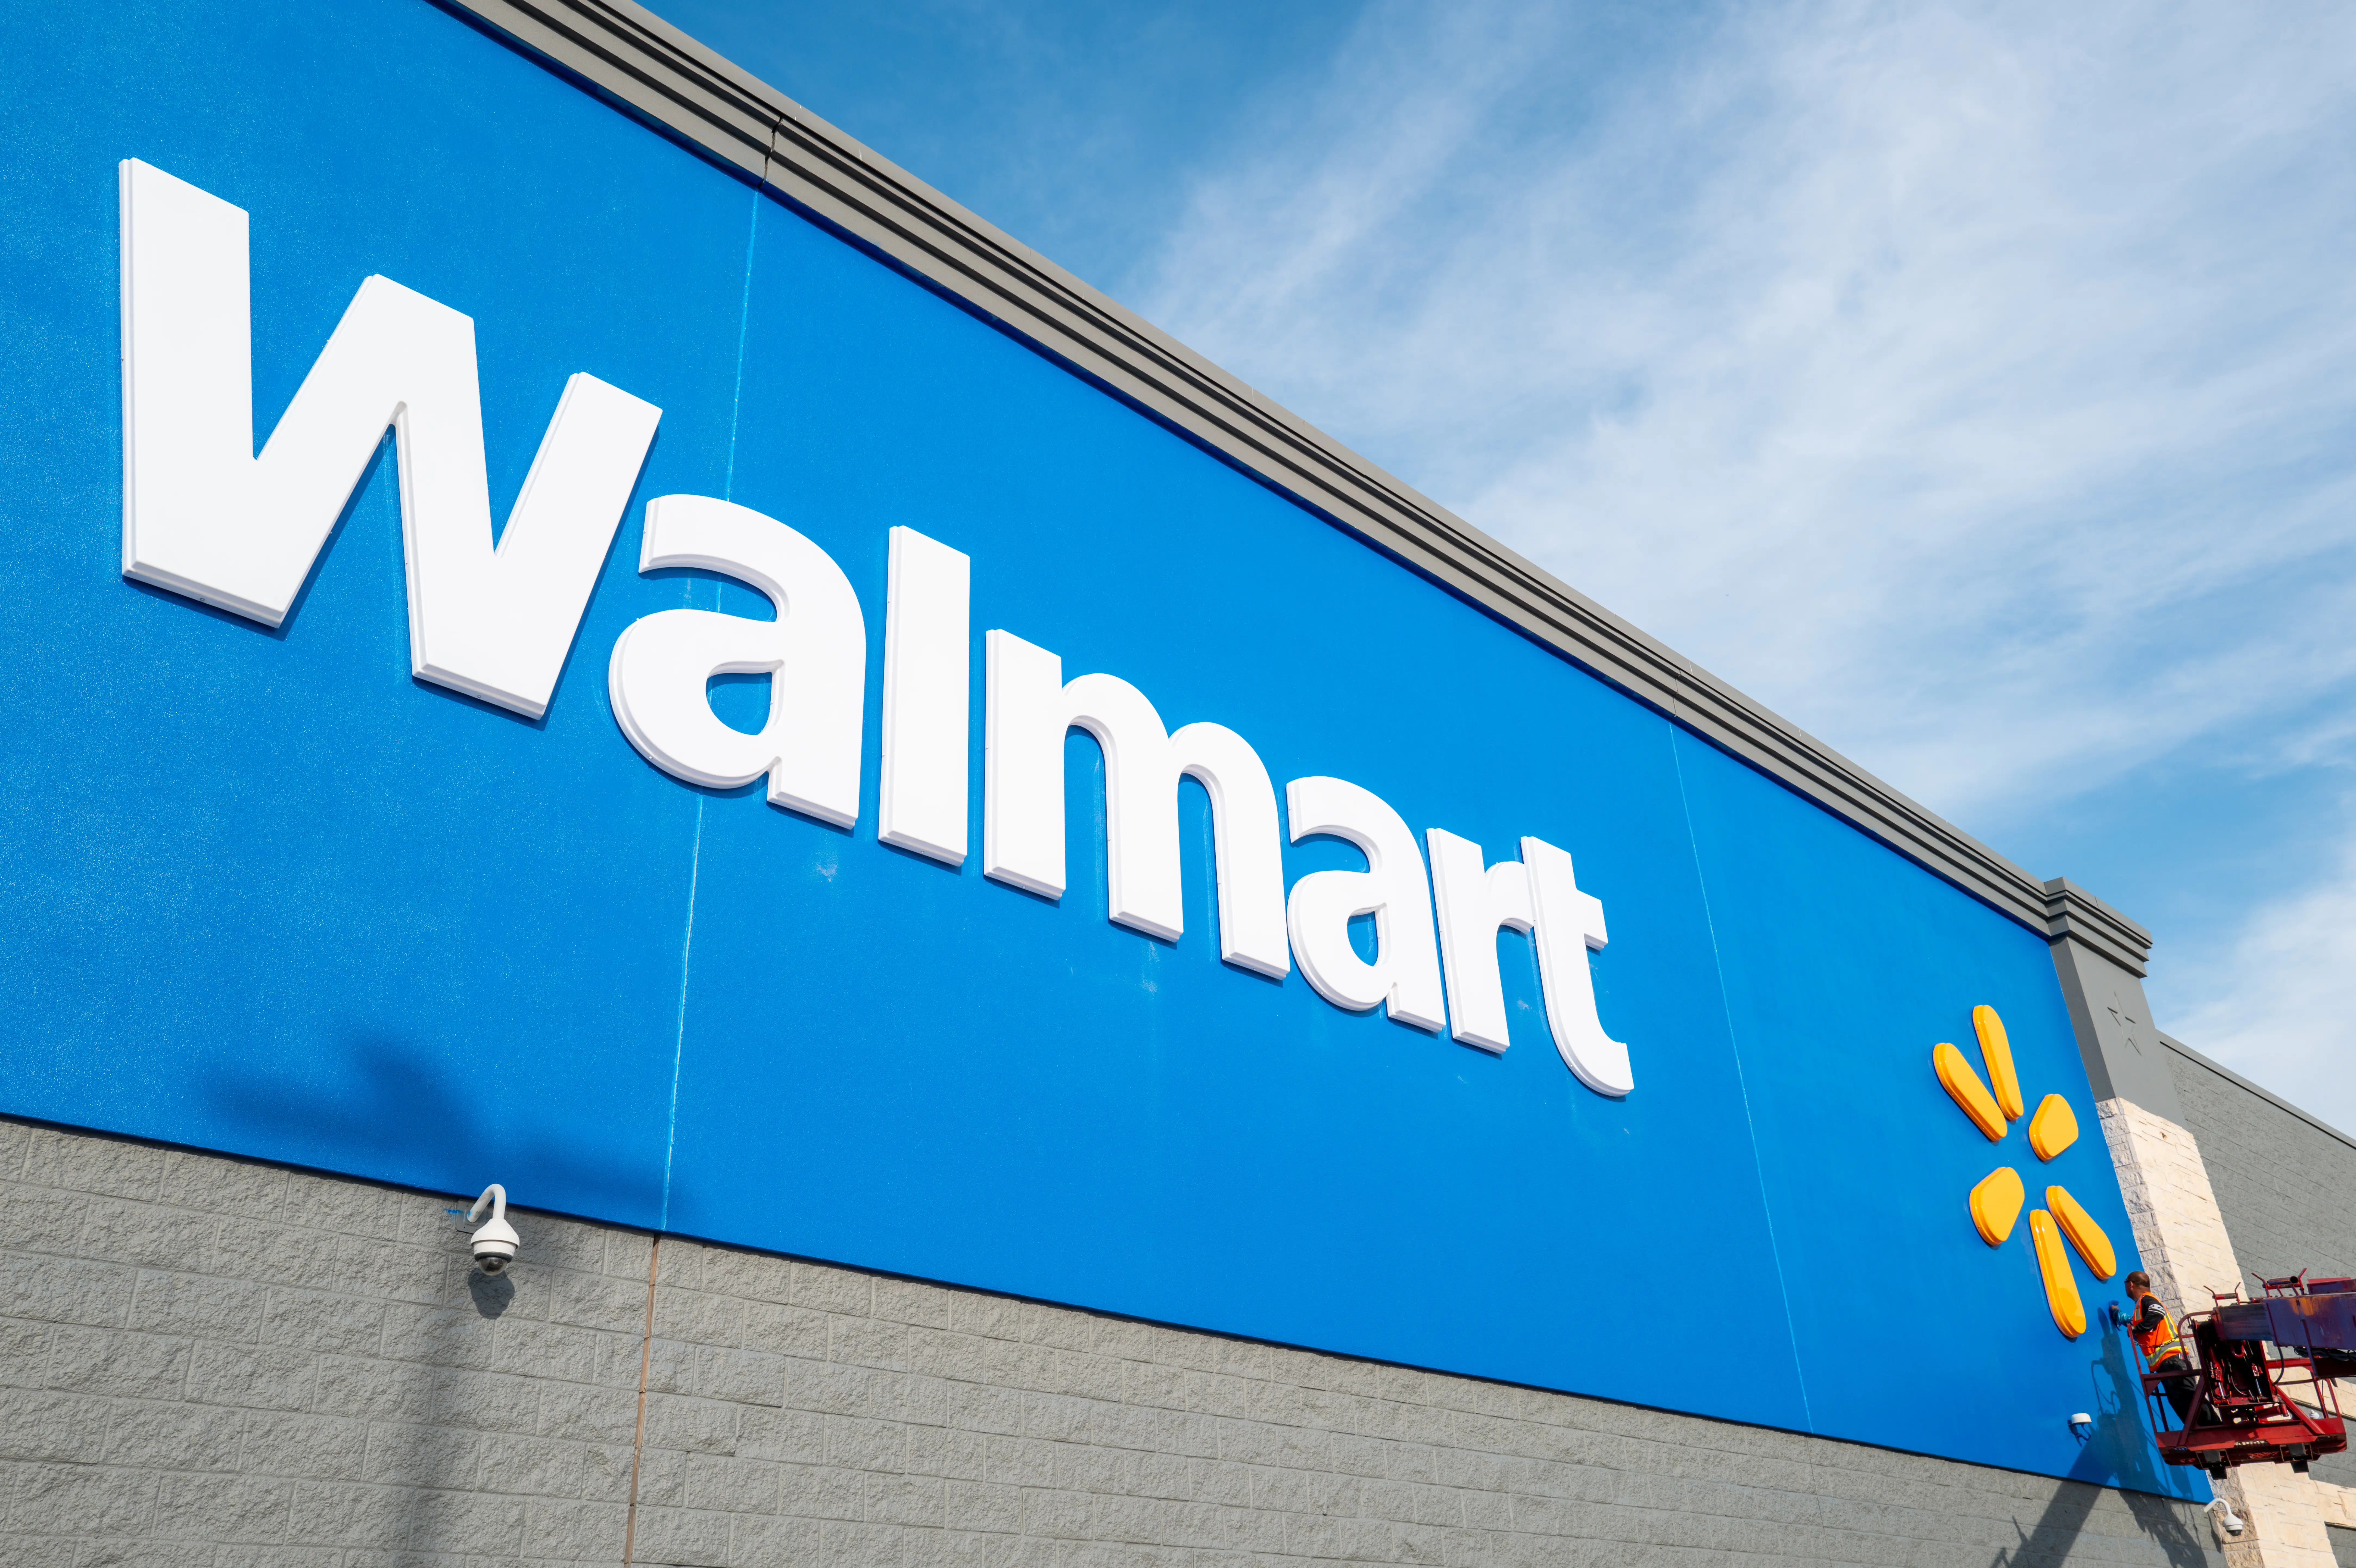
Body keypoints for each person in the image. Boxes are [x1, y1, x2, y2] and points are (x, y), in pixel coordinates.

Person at [2124, 1271, 2198, 1424]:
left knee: (2188, 1400)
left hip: (2172, 1361)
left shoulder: (2147, 1299)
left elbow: (2157, 1312)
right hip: (2168, 1363)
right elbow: (2135, 1321)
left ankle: (2211, 1431)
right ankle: (2201, 1435)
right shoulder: (2141, 1305)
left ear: (2131, 1284)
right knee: (2180, 1402)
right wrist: (2120, 1316)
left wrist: (2137, 1330)